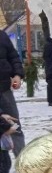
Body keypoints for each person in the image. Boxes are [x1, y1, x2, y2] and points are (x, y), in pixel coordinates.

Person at [0, 29, 25, 157]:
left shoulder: (2, 36)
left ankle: (22, 159)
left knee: (14, 124)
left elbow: (13, 57)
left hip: (3, 89)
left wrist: (17, 75)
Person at [42, 36, 52, 106]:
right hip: (51, 66)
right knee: (51, 84)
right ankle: (51, 100)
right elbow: (46, 56)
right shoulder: (50, 45)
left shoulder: (49, 44)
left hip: (50, 66)